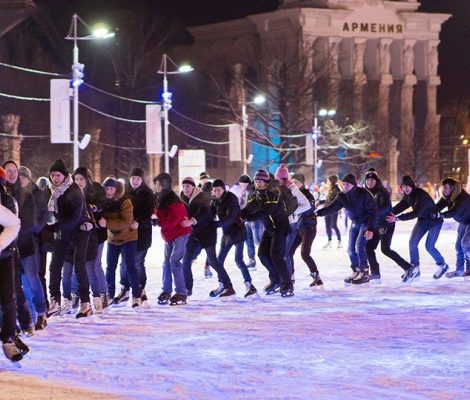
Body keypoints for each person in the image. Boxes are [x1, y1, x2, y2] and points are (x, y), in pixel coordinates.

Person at [45, 159, 92, 320]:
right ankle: (55, 300)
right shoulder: (50, 190)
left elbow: (75, 217)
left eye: (57, 175)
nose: (55, 179)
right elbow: (45, 211)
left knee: (79, 266)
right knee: (54, 266)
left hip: (80, 230)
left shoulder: (74, 191)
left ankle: (86, 303)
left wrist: (56, 228)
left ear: (64, 175)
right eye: (52, 175)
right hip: (62, 231)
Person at [4, 161, 48, 331]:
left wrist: (13, 232)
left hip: (25, 244)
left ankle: (41, 313)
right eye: (9, 171)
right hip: (8, 247)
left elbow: (28, 222)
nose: (13, 174)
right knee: (13, 284)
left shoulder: (26, 195)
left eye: (15, 171)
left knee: (31, 280)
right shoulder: (3, 194)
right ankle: (21, 317)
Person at [316, 173, 378, 285]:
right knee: (350, 249)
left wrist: (371, 229)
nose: (344, 187)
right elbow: (332, 208)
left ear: (353, 185)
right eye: (343, 184)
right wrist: (319, 213)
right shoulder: (342, 196)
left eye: (347, 185)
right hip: (355, 222)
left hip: (366, 222)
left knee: (359, 246)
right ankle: (356, 271)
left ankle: (364, 272)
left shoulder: (364, 194)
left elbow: (374, 212)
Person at [180, 177, 235, 299]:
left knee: (213, 262)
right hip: (194, 235)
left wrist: (193, 220)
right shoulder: (182, 198)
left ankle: (228, 286)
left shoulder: (203, 197)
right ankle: (187, 288)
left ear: (194, 187)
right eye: (183, 186)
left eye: (188, 186)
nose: (185, 189)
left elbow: (206, 213)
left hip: (207, 233)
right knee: (186, 260)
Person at [386, 175, 448, 282]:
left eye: (407, 186)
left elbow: (415, 213)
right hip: (423, 221)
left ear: (412, 186)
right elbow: (401, 206)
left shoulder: (421, 195)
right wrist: (388, 213)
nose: (405, 189)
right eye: (403, 187)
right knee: (412, 243)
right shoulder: (407, 196)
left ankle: (442, 265)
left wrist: (397, 219)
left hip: (434, 221)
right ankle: (415, 269)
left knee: (429, 246)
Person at [241, 169, 293, 297]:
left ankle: (287, 284)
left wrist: (248, 218)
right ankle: (275, 279)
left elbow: (266, 211)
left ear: (266, 182)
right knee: (262, 254)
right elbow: (249, 207)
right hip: (269, 228)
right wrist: (238, 216)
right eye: (257, 181)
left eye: (260, 181)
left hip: (280, 228)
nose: (258, 184)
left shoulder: (274, 192)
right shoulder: (256, 194)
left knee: (276, 256)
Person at [99, 177, 142, 307]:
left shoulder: (125, 201)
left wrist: (107, 223)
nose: (109, 191)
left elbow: (126, 221)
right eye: (106, 188)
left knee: (130, 266)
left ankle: (136, 295)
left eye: (111, 188)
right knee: (110, 267)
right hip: (113, 238)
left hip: (128, 237)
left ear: (116, 189)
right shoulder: (103, 201)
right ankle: (110, 295)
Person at [363, 169, 413, 283]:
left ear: (376, 180)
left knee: (385, 249)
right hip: (375, 224)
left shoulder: (382, 191)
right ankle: (375, 272)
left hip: (385, 223)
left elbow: (386, 208)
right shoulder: (366, 193)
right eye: (368, 179)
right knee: (368, 247)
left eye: (372, 179)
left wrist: (372, 214)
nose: (370, 182)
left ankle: (408, 268)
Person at [211, 179, 258, 298]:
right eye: (214, 190)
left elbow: (231, 217)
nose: (216, 192)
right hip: (227, 233)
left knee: (238, 259)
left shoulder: (231, 198)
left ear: (224, 189)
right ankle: (222, 285)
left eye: (219, 190)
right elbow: (210, 214)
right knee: (218, 261)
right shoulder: (214, 201)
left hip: (237, 232)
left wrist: (215, 225)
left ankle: (249, 285)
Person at [0, 170, 28, 362]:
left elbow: (14, 225)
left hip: (6, 256)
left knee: (8, 297)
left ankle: (9, 338)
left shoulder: (8, 202)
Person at [115, 167, 154, 305]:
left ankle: (141, 288)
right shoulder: (124, 192)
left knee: (137, 262)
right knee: (124, 262)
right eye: (133, 178)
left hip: (142, 233)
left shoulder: (148, 194)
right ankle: (125, 289)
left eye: (138, 178)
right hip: (126, 233)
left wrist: (139, 222)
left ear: (142, 180)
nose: (135, 181)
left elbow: (148, 211)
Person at [153, 173, 192, 305]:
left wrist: (158, 222)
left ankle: (181, 293)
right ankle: (166, 290)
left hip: (180, 233)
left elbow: (175, 220)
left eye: (158, 184)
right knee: (166, 263)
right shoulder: (160, 198)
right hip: (169, 235)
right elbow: (158, 213)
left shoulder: (173, 200)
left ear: (163, 185)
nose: (156, 186)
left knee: (174, 261)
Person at [274, 164, 310, 282]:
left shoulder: (292, 188)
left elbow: (307, 205)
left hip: (291, 226)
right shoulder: (275, 189)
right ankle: (281, 278)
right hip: (279, 226)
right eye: (277, 179)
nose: (279, 181)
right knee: (278, 253)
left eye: (281, 179)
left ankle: (288, 279)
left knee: (285, 253)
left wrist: (293, 212)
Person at [289, 173, 323, 288]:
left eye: (296, 182)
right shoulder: (292, 194)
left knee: (304, 253)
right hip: (298, 228)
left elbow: (308, 208)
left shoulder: (308, 195)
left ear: (302, 183)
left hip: (308, 228)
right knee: (288, 251)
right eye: (292, 182)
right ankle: (290, 275)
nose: (294, 184)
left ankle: (316, 277)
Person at [435, 178, 470, 278]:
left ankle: (468, 269)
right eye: (443, 188)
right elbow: (437, 207)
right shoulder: (448, 197)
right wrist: (429, 212)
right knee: (459, 246)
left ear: (453, 188)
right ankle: (460, 270)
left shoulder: (463, 197)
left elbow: (454, 211)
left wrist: (440, 215)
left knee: (466, 243)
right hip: (464, 221)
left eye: (446, 188)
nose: (443, 190)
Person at [322, 175, 342, 249]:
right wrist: (321, 202)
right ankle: (329, 242)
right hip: (327, 210)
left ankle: (339, 242)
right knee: (327, 226)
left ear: (331, 181)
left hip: (333, 210)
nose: (327, 181)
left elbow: (339, 199)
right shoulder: (331, 189)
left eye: (328, 180)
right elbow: (328, 200)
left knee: (333, 225)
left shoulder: (337, 188)